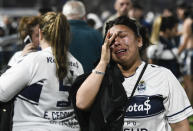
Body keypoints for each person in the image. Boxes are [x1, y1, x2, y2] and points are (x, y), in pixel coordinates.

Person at [71, 16, 193, 131]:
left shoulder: (163, 76)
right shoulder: (101, 77)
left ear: (139, 41)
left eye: (122, 36)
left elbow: (180, 126)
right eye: (111, 40)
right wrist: (103, 62)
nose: (116, 42)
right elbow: (82, 103)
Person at [0, 12, 84, 131]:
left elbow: (2, 93)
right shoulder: (78, 65)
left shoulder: (33, 60)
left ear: (40, 34)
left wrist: (14, 63)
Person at [62, 1, 103, 73]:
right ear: (84, 16)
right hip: (92, 82)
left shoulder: (55, 34)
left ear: (63, 16)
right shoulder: (96, 35)